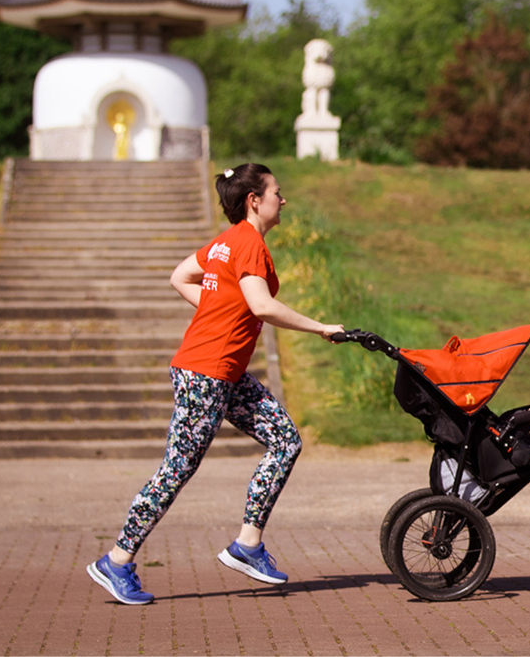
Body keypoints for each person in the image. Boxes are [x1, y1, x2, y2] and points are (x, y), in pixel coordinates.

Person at [87, 163, 345, 605]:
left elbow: (180, 276)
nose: (283, 200)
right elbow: (262, 306)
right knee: (176, 470)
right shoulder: (249, 245)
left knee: (285, 440)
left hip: (225, 373)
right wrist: (320, 327)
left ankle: (247, 544)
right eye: (277, 193)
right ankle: (117, 559)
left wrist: (218, 309)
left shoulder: (227, 242)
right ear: (254, 201)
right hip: (205, 372)